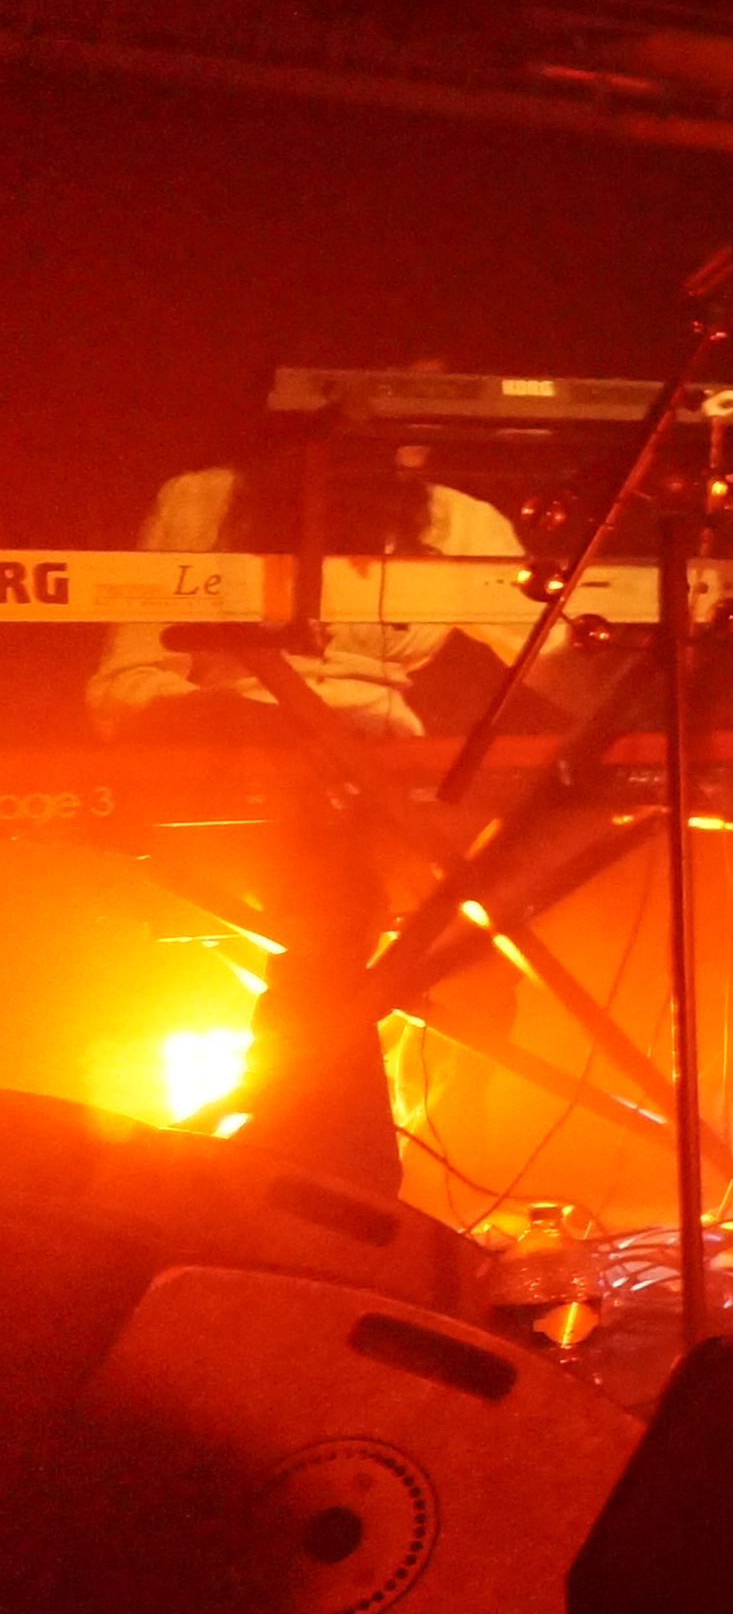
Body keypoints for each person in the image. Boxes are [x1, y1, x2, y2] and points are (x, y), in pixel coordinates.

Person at [89, 415, 529, 1188]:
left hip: (390, 781)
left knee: (486, 945)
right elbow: (126, 680)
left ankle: (411, 1174)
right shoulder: (203, 503)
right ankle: (329, 1169)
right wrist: (244, 722)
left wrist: (663, 694)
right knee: (332, 906)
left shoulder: (460, 522)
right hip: (239, 772)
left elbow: (561, 651)